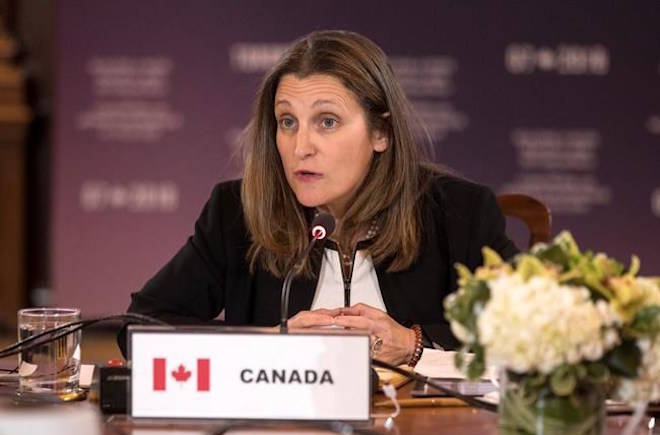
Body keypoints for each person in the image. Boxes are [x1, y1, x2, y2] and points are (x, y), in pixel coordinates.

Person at [119, 30, 517, 366]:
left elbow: (529, 338)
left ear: (381, 133)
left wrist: (414, 346)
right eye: (287, 122)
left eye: (327, 121)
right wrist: (268, 343)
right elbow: (139, 326)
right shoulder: (237, 213)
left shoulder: (458, 212)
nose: (301, 146)